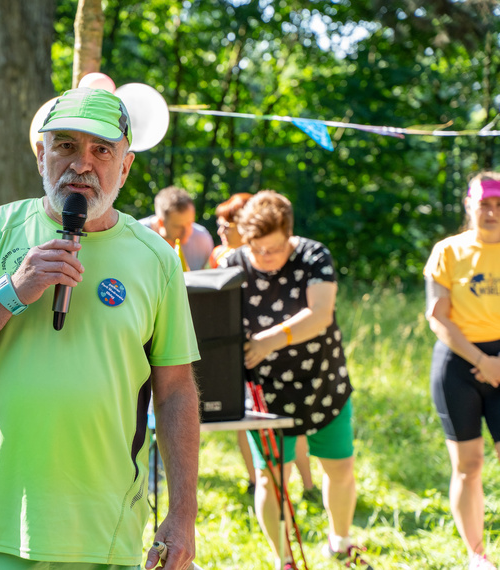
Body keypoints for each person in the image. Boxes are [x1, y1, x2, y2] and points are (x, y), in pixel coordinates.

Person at [0, 87, 201, 570]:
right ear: (42, 155)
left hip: (103, 533)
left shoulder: (157, 260)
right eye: (65, 146)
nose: (81, 164)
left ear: (124, 167)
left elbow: (176, 393)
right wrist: (12, 291)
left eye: (101, 150)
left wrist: (183, 515)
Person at [222, 190, 371, 570]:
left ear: (290, 233)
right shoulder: (232, 263)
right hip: (265, 392)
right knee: (271, 479)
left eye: (273, 248)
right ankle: (283, 557)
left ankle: (339, 541)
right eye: (257, 248)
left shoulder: (314, 255)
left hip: (322, 382)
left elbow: (320, 314)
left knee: (339, 468)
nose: (265, 258)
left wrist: (270, 340)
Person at [211, 192, 319, 499]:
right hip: (249, 365)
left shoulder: (288, 258)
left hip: (288, 363)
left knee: (293, 428)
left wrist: (270, 341)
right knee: (252, 429)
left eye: (227, 225)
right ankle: (260, 481)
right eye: (219, 226)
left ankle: (306, 483)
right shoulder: (227, 259)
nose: (223, 232)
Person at [424, 171, 500, 570]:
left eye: (499, 204)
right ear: (469, 205)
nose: (492, 212)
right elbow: (438, 318)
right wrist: (483, 361)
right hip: (459, 363)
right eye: (484, 203)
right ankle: (477, 554)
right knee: (468, 466)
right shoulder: (448, 251)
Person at [139, 186, 214, 271]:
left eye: (190, 223)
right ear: (161, 223)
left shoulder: (202, 239)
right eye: (178, 226)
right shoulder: (136, 236)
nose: (187, 232)